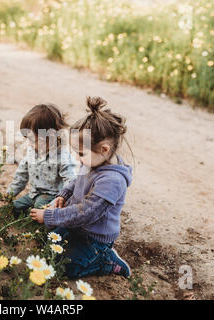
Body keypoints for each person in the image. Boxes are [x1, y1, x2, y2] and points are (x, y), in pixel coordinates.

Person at [30, 96, 132, 279]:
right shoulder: (93, 162)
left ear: (105, 150)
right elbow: (76, 182)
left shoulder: (112, 181)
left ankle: (106, 261)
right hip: (78, 227)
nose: (77, 158)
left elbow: (85, 213)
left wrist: (49, 216)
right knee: (49, 243)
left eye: (80, 153)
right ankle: (80, 249)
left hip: (94, 239)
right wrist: (63, 195)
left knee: (65, 268)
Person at [7, 103, 77, 217]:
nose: (29, 144)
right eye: (28, 139)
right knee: (14, 207)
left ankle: (43, 219)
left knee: (40, 208)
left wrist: (57, 202)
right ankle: (28, 216)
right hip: (33, 194)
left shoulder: (62, 157)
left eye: (33, 140)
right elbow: (21, 175)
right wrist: (9, 194)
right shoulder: (31, 152)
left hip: (51, 197)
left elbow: (71, 181)